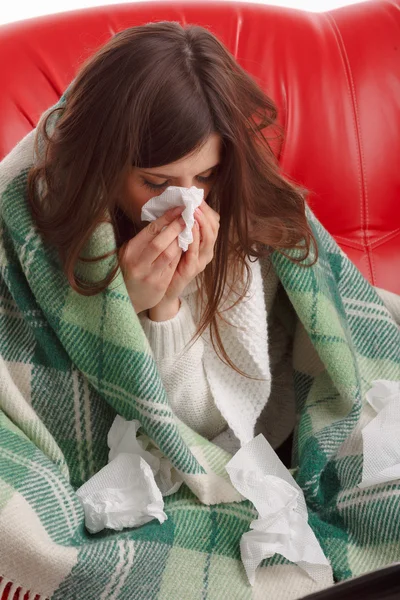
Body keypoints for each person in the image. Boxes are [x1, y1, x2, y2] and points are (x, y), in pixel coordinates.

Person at [27, 21, 315, 452]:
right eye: (157, 183)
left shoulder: (240, 222)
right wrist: (119, 308)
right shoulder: (55, 200)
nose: (187, 202)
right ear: (103, 166)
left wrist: (164, 305)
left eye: (205, 175)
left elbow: (210, 423)